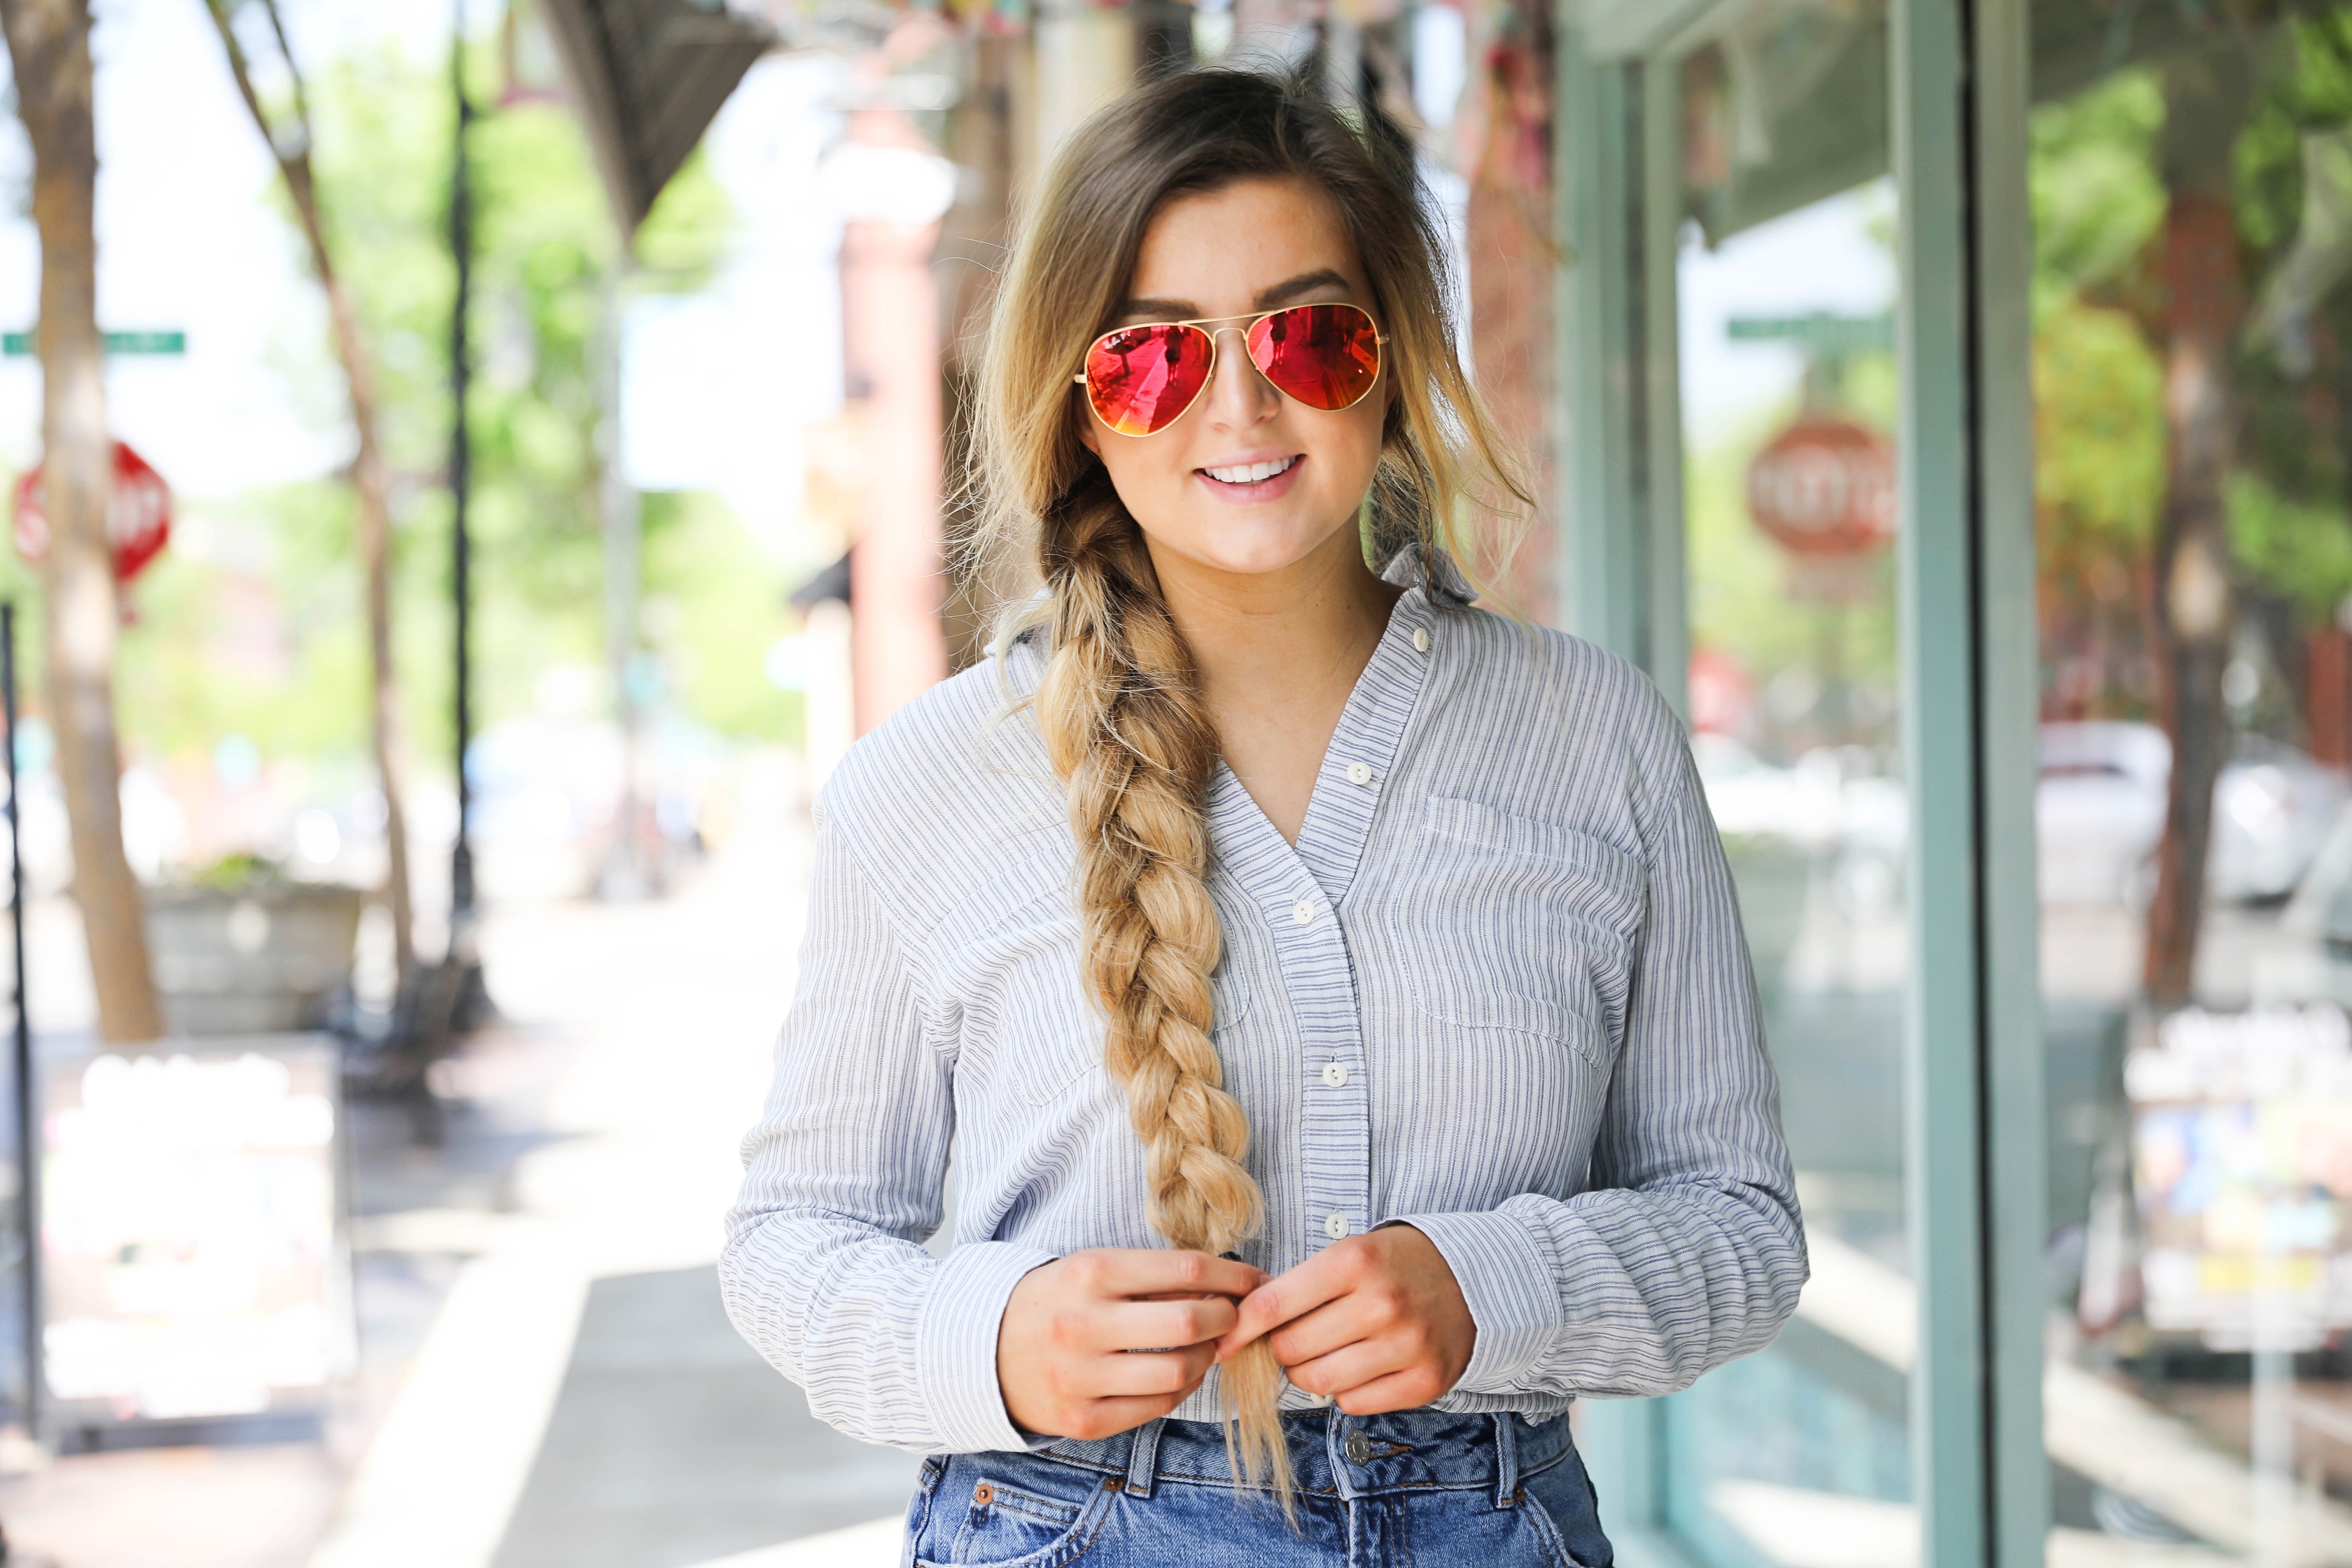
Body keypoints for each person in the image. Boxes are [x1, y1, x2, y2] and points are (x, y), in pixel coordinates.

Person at [720, 64, 1805, 1567]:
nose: (1240, 402)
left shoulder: (1595, 738)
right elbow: (790, 1245)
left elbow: (1741, 1228)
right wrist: (998, 1335)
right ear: (1081, 402)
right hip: (1064, 1515)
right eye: (1156, 355)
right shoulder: (925, 786)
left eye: (1306, 332)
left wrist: (1499, 1287)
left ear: (1393, 358)